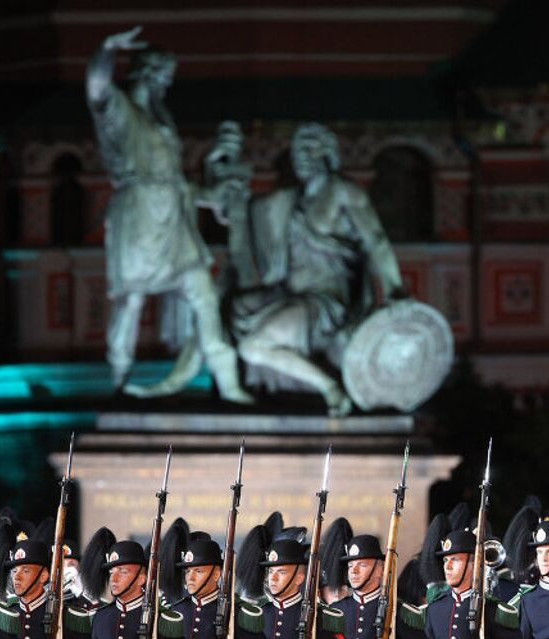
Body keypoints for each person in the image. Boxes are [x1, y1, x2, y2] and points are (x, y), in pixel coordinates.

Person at [86, 27, 251, 403]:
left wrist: (209, 196)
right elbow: (96, 88)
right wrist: (107, 48)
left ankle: (228, 382)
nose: (166, 85)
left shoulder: (163, 122)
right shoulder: (121, 112)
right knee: (131, 299)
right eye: (163, 77)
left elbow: (174, 182)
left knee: (204, 294)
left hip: (174, 218)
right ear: (147, 74)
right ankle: (119, 377)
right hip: (139, 217)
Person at [231, 123, 404, 416]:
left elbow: (376, 240)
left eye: (309, 148)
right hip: (289, 294)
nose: (301, 156)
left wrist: (394, 289)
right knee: (233, 306)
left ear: (327, 153)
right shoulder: (292, 200)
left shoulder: (343, 192)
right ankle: (239, 390)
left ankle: (330, 388)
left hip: (324, 302)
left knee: (253, 346)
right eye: (297, 150)